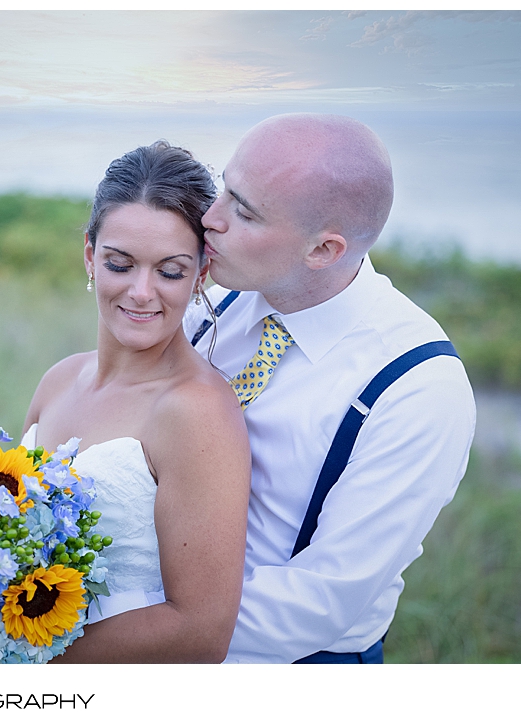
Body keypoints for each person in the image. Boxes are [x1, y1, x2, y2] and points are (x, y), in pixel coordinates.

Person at [183, 113, 477, 663]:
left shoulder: (418, 387)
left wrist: (135, 627)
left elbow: (319, 602)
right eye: (224, 188)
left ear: (324, 250)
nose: (208, 218)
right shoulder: (211, 303)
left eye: (243, 211)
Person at [22, 141, 252, 663]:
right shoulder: (58, 380)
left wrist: (18, 656)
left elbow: (201, 632)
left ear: (201, 274)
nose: (142, 291)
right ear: (89, 256)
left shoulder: (197, 411)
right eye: (120, 263)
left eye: (169, 271)